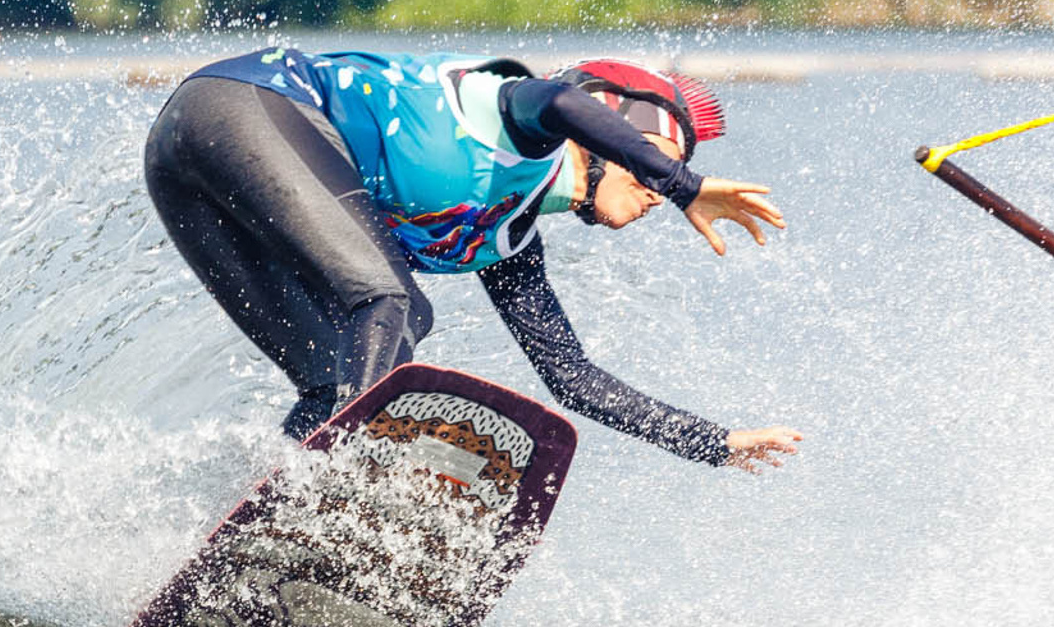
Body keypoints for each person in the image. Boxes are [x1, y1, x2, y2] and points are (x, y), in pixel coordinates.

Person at [143, 48, 803, 471]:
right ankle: (337, 495)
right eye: (662, 155)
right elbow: (562, 99)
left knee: (331, 380)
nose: (664, 180)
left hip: (189, 179)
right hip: (237, 107)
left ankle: (276, 513)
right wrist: (684, 186)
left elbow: (572, 379)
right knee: (393, 303)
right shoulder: (526, 120)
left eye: (675, 170)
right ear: (610, 120)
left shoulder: (507, 237)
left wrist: (711, 442)